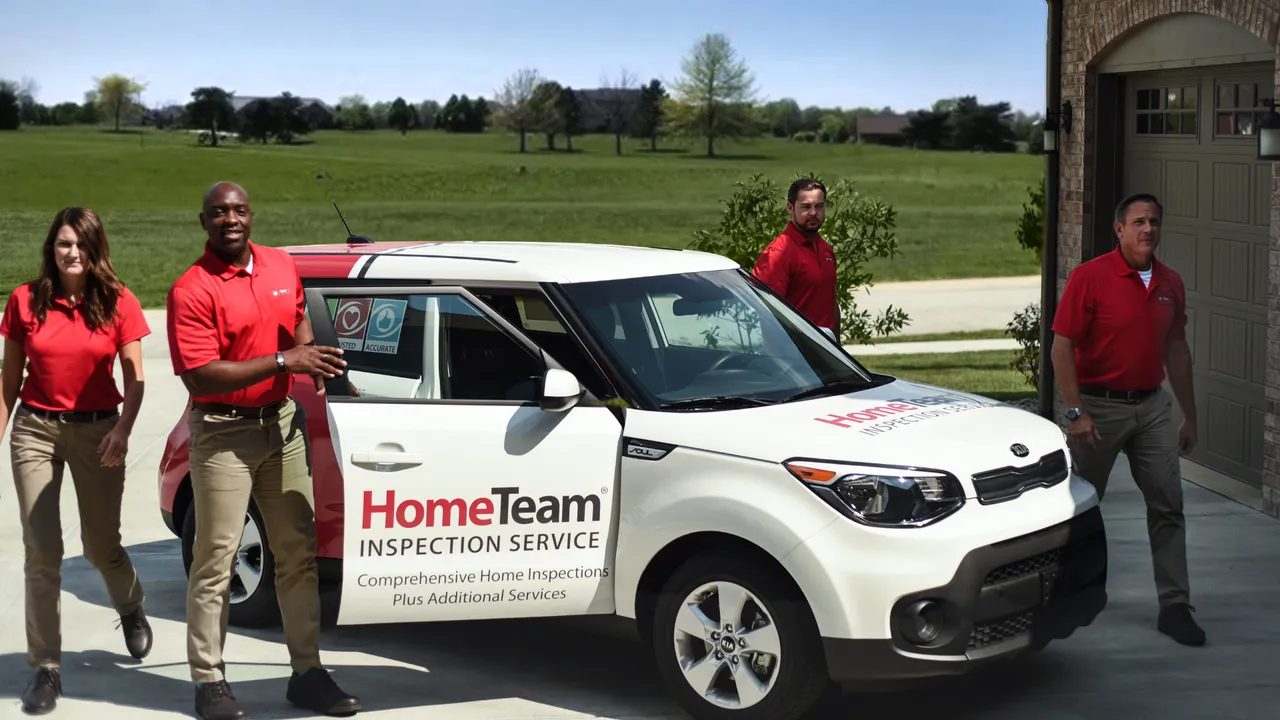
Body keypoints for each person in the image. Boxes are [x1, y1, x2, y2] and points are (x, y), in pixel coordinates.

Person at [167, 181, 358, 720]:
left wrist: (309, 356)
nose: (231, 219)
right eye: (219, 212)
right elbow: (202, 378)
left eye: (240, 210)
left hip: (281, 427)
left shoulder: (279, 265)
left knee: (298, 554)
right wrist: (282, 364)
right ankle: (210, 681)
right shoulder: (192, 288)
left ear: (252, 216)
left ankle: (307, 674)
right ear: (203, 222)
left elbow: (296, 319)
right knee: (216, 558)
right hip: (223, 433)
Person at [0, 207, 154, 714]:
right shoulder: (26, 300)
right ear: (52, 247)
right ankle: (45, 668)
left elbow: (135, 378)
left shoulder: (119, 302)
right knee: (42, 551)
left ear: (96, 250)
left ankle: (130, 606)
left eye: (82, 245)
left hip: (99, 432)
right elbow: (9, 380)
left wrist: (124, 431)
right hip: (35, 429)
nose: (72, 253)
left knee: (101, 545)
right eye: (64, 243)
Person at [1050, 192, 1204, 647]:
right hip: (1099, 408)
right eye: (1138, 221)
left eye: (1154, 221)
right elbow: (1062, 347)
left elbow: (1176, 351)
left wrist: (1189, 416)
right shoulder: (1090, 277)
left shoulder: (1170, 283)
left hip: (1153, 407)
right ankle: (1062, 594)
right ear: (1119, 229)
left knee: (1167, 503)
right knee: (1078, 507)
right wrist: (1076, 411)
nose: (1148, 229)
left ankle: (1175, 605)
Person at [751, 177, 839, 337]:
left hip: (826, 351)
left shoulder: (826, 250)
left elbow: (831, 303)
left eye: (819, 206)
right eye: (806, 207)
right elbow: (767, 314)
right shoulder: (778, 253)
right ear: (790, 208)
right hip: (794, 354)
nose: (813, 213)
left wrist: (838, 351)